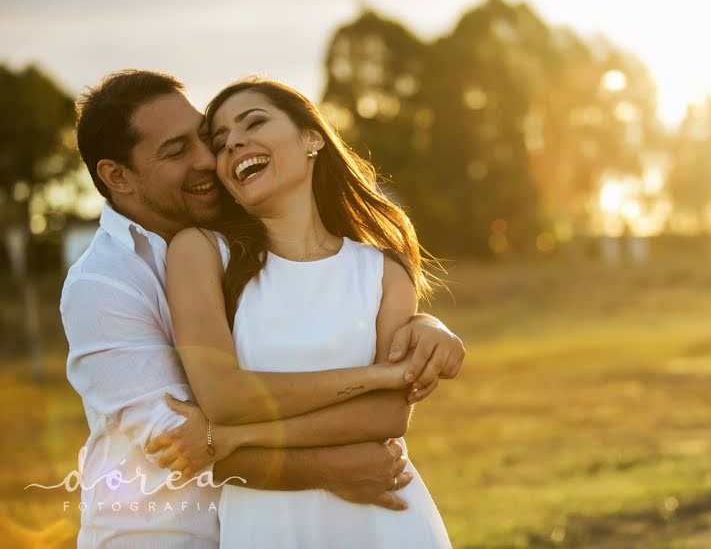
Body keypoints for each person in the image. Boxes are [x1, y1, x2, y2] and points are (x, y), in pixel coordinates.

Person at [62, 70, 465, 548]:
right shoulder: (104, 285)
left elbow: (379, 405)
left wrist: (425, 323)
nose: (210, 160)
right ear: (117, 176)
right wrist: (336, 460)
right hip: (164, 534)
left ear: (312, 137)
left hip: (343, 519)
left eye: (203, 139)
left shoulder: (260, 240)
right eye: (177, 151)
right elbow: (184, 440)